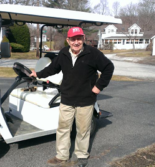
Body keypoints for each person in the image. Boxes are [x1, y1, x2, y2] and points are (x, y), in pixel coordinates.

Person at [30, 27, 114, 167]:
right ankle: (62, 156)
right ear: (68, 40)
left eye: (79, 38)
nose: (76, 42)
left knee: (83, 130)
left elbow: (108, 68)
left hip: (86, 99)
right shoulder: (63, 53)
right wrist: (38, 74)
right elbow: (52, 68)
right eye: (73, 39)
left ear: (83, 38)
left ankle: (82, 156)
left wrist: (99, 87)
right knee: (63, 128)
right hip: (67, 98)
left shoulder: (92, 53)